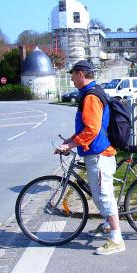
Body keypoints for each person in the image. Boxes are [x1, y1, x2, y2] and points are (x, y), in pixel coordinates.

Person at [55, 60, 125, 255]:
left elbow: (92, 130)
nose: (71, 79)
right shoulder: (91, 93)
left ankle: (117, 239)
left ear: (80, 74)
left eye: (72, 75)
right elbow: (86, 128)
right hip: (96, 152)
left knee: (103, 195)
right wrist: (68, 141)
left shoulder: (91, 96)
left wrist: (70, 145)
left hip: (99, 154)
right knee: (99, 193)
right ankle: (106, 225)